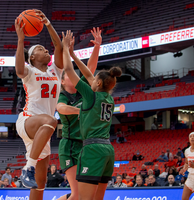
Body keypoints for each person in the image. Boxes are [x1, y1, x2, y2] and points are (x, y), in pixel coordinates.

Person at [62, 30, 121, 200]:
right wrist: (73, 54)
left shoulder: (90, 95)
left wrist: (66, 49)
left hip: (92, 149)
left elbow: (68, 69)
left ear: (99, 83)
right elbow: (88, 73)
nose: (91, 79)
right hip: (108, 151)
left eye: (94, 79)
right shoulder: (109, 98)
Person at [14, 10, 64, 199]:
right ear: (32, 57)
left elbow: (59, 48)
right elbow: (19, 68)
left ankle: (30, 169)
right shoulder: (29, 71)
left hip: (43, 132)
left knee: (40, 183)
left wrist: (48, 24)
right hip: (29, 121)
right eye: (41, 49)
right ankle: (28, 167)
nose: (46, 50)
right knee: (51, 120)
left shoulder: (55, 70)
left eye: (45, 48)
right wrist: (21, 40)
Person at [56, 27, 101, 200]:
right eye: (69, 73)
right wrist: (81, 111)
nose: (73, 74)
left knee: (83, 195)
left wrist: (97, 47)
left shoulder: (81, 88)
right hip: (69, 146)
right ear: (62, 80)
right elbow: (60, 109)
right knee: (77, 195)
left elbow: (90, 68)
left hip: (84, 145)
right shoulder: (63, 95)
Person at [180, 131, 194, 200]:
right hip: (190, 176)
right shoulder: (187, 151)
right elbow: (187, 162)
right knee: (184, 198)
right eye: (190, 136)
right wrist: (183, 169)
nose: (192, 138)